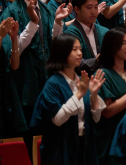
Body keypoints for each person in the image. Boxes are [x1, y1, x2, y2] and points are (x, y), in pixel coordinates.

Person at [30, 33, 106, 164]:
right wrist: (79, 94)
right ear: (62, 52)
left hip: (85, 146)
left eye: (80, 49)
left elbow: (96, 118)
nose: (79, 53)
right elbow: (57, 119)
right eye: (74, 49)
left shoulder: (81, 80)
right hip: (60, 147)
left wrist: (93, 94)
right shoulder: (53, 84)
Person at [95, 28, 126, 165]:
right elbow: (107, 111)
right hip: (112, 138)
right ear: (112, 46)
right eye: (123, 43)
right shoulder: (103, 74)